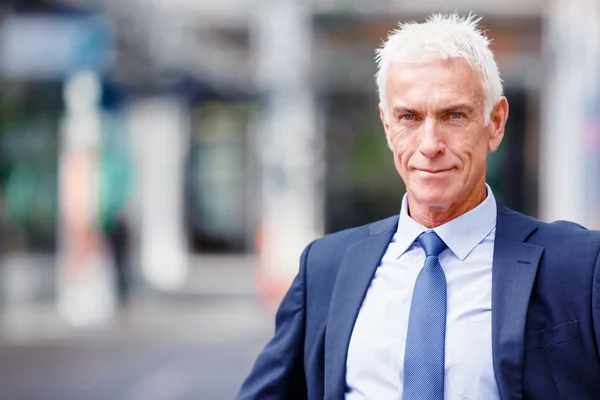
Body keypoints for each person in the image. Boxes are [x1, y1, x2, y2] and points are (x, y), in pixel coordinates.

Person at [236, 13, 600, 400]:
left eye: (453, 115)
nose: (430, 144)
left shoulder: (580, 264)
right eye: (409, 117)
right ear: (388, 126)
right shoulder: (325, 267)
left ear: (495, 123)